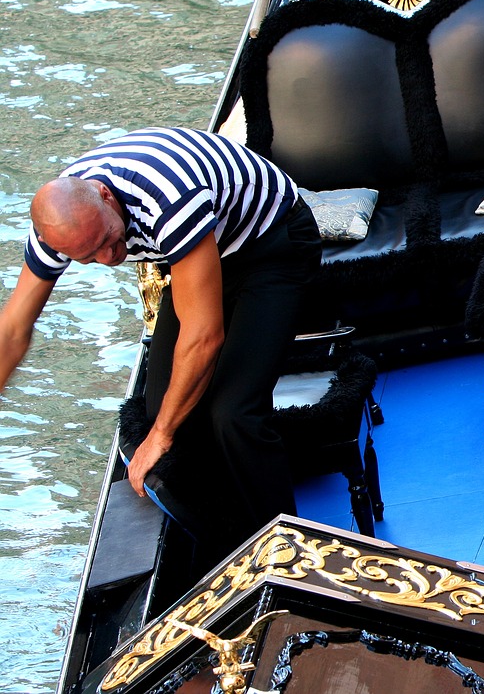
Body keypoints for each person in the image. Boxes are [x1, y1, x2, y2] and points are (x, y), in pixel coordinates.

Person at [0, 127, 321, 558]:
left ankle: (289, 552)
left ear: (106, 197)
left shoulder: (166, 198)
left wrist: (162, 435)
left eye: (108, 242)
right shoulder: (63, 229)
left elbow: (204, 337)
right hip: (201, 254)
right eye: (87, 258)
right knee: (163, 409)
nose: (109, 258)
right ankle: (229, 541)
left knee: (233, 412)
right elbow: (15, 327)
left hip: (272, 241)